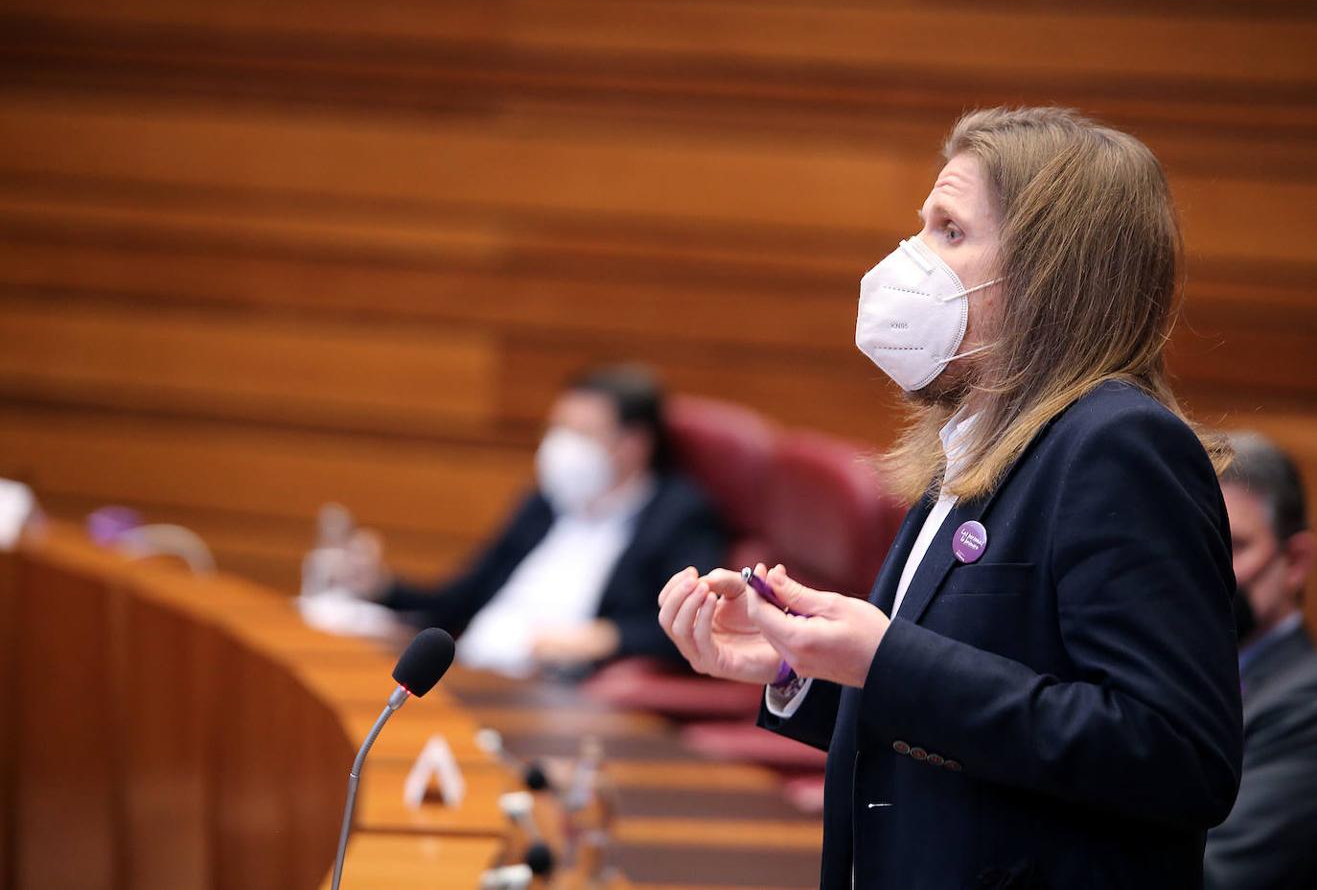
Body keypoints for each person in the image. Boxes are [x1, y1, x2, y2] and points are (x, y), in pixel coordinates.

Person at [658, 107, 1242, 888]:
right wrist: (799, 667)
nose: (910, 256)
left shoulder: (1117, 446)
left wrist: (887, 659)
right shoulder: (974, 446)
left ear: (1048, 272)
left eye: (950, 230)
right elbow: (944, 721)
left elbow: (1176, 754)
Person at [371, 365, 726, 676]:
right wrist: (382, 588)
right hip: (476, 665)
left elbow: (691, 622)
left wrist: (604, 636)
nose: (562, 446)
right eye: (558, 429)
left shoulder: (679, 515)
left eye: (582, 433)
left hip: (557, 688)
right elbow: (461, 598)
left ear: (633, 444)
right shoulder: (544, 502)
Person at [1204, 432, 1317, 890]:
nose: (1207, 570)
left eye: (1232, 547)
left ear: (1294, 562)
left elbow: (1218, 877)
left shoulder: (1306, 707)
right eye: (1197, 545)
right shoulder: (1187, 677)